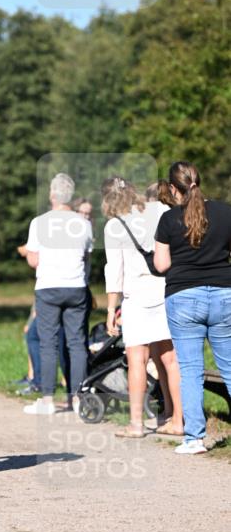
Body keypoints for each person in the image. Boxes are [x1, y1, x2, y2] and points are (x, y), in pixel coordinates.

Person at [154, 161, 231, 455]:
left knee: (190, 370)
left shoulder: (168, 220)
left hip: (184, 297)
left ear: (174, 189)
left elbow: (161, 264)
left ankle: (194, 438)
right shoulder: (226, 213)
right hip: (225, 294)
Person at [102, 176, 183, 437]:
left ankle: (135, 424)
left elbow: (114, 271)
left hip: (136, 296)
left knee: (138, 360)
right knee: (170, 359)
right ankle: (177, 419)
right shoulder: (159, 210)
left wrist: (111, 310)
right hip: (166, 290)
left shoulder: (114, 226)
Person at [23, 173, 93, 416]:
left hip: (48, 288)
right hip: (76, 287)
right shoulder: (84, 224)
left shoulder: (39, 223)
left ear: (52, 195)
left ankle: (48, 399)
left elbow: (32, 259)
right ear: (71, 197)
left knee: (49, 343)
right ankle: (77, 398)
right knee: (76, 343)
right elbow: (87, 256)